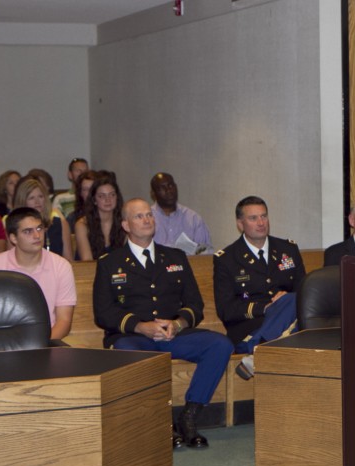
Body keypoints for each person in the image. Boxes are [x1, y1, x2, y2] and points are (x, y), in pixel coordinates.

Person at [93, 198, 233, 449]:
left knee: (220, 345)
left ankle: (189, 417)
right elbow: (103, 313)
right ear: (125, 224)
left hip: (174, 336)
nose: (147, 220)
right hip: (133, 338)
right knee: (128, 353)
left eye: (149, 215)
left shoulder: (175, 257)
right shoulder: (110, 262)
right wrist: (140, 326)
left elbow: (195, 305)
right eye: (139, 216)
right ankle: (161, 422)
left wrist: (178, 324)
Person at [213, 195, 305, 379]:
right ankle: (260, 345)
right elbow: (226, 309)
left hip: (289, 322)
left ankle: (258, 352)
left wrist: (284, 301)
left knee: (297, 299)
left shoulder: (288, 249)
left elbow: (304, 290)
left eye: (264, 216)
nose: (261, 222)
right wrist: (265, 307)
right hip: (249, 327)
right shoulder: (227, 258)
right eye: (253, 218)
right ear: (240, 224)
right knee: (292, 305)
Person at [0, 207, 77, 340]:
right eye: (28, 231)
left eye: (39, 228)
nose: (37, 236)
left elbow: (64, 322)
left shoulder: (61, 266)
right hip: (5, 344)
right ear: (13, 238)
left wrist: (39, 347)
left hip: (47, 342)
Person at [12, 177, 73, 262]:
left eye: (40, 196)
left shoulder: (60, 224)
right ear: (23, 201)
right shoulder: (14, 227)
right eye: (31, 198)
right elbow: (12, 260)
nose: (37, 201)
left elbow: (68, 259)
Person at [150, 172, 213, 255]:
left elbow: (206, 253)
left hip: (188, 266)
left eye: (170, 186)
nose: (168, 191)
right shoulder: (147, 218)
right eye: (162, 188)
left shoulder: (193, 218)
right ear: (154, 194)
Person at [75, 174, 125, 260]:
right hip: (91, 271)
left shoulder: (125, 222)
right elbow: (87, 261)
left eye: (112, 195)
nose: (108, 199)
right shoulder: (82, 225)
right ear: (94, 200)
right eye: (102, 196)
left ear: (117, 197)